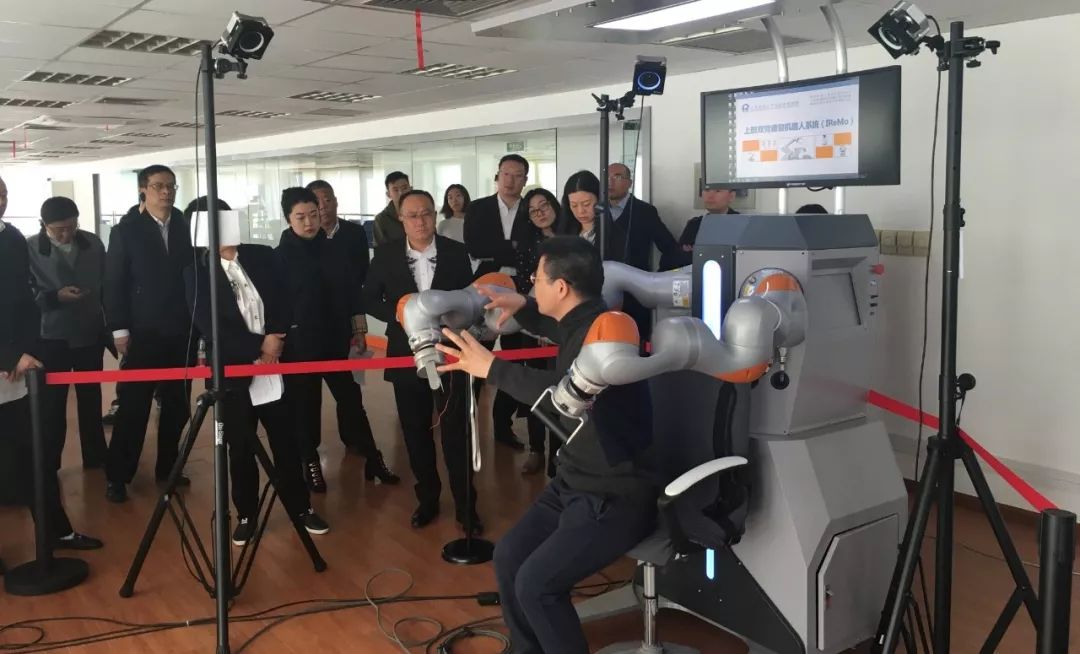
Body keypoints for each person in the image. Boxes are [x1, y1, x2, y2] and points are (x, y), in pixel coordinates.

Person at [435, 236, 656, 654]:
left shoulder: (605, 341)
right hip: (575, 482)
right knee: (508, 557)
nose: (532, 285)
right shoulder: (590, 319)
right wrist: (523, 305)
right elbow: (558, 325)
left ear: (561, 287)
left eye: (536, 280)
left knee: (536, 586)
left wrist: (492, 368)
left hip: (614, 494)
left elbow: (563, 397)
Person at [183, 208, 329, 546]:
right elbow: (209, 324)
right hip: (234, 372)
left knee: (286, 441)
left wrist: (275, 339)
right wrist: (259, 346)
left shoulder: (261, 256)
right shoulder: (196, 273)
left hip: (275, 364)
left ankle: (301, 507)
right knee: (240, 448)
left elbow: (284, 298)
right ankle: (246, 514)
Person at [362, 190, 482, 533]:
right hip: (405, 351)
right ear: (401, 219)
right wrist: (402, 314)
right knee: (415, 431)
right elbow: (369, 298)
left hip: (452, 350)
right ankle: (428, 498)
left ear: (435, 215)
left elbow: (469, 297)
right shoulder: (385, 254)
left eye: (426, 213)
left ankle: (466, 507)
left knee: (455, 432)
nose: (420, 221)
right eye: (412, 215)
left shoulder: (455, 252)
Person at [0, 175, 103, 555]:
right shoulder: (24, 243)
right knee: (31, 438)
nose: (1, 200)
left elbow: (20, 303)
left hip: (28, 359)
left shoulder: (11, 238)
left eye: (3, 193)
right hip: (23, 352)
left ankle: (56, 530)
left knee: (33, 448)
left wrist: (22, 350)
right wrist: (8, 354)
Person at [103, 164, 193, 503]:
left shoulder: (185, 225)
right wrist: (119, 329)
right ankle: (118, 475)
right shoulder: (126, 231)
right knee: (133, 407)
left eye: (171, 186)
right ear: (143, 189)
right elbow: (113, 283)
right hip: (143, 331)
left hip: (181, 331)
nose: (166, 192)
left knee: (177, 406)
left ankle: (168, 468)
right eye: (158, 186)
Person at [304, 180, 398, 485]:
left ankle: (371, 455)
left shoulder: (344, 242)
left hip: (339, 332)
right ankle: (310, 461)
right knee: (308, 403)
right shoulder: (290, 250)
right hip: (305, 341)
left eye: (324, 203)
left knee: (350, 397)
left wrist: (358, 328)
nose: (318, 213)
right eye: (308, 211)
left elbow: (354, 288)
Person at [26, 197, 109, 470]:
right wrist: (54, 297)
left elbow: (107, 281)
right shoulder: (29, 249)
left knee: (91, 398)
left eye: (72, 227)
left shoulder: (93, 243)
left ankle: (96, 456)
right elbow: (25, 293)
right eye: (59, 229)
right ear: (44, 225)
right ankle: (49, 463)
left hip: (89, 332)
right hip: (51, 336)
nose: (67, 234)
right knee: (52, 404)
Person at [464, 154, 536, 451]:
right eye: (506, 174)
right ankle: (465, 423)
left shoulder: (531, 209)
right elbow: (474, 245)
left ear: (525, 179)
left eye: (518, 175)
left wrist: (500, 251)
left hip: (520, 293)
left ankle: (502, 426)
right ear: (497, 176)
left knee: (514, 360)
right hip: (483, 290)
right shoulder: (478, 208)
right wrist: (513, 249)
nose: (511, 180)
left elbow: (532, 249)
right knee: (475, 354)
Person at [513, 188, 560, 476]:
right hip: (532, 327)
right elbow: (522, 287)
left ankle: (558, 455)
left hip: (562, 329)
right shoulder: (528, 244)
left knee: (561, 392)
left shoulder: (571, 240)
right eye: (533, 210)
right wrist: (537, 324)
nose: (540, 212)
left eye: (544, 205)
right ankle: (536, 450)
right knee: (535, 391)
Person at [557, 170, 627, 263]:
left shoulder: (615, 235)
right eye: (574, 205)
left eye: (586, 204)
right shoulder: (564, 232)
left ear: (599, 200)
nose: (580, 211)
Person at [676, 186, 739, 266]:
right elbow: (677, 259)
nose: (710, 196)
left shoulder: (743, 224)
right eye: (707, 190)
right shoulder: (694, 224)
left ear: (731, 196)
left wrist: (698, 253)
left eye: (717, 190)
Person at [373, 171, 411, 247]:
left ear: (411, 189)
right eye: (395, 190)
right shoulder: (381, 219)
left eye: (404, 188)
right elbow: (380, 250)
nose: (401, 193)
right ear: (388, 194)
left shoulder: (421, 212)